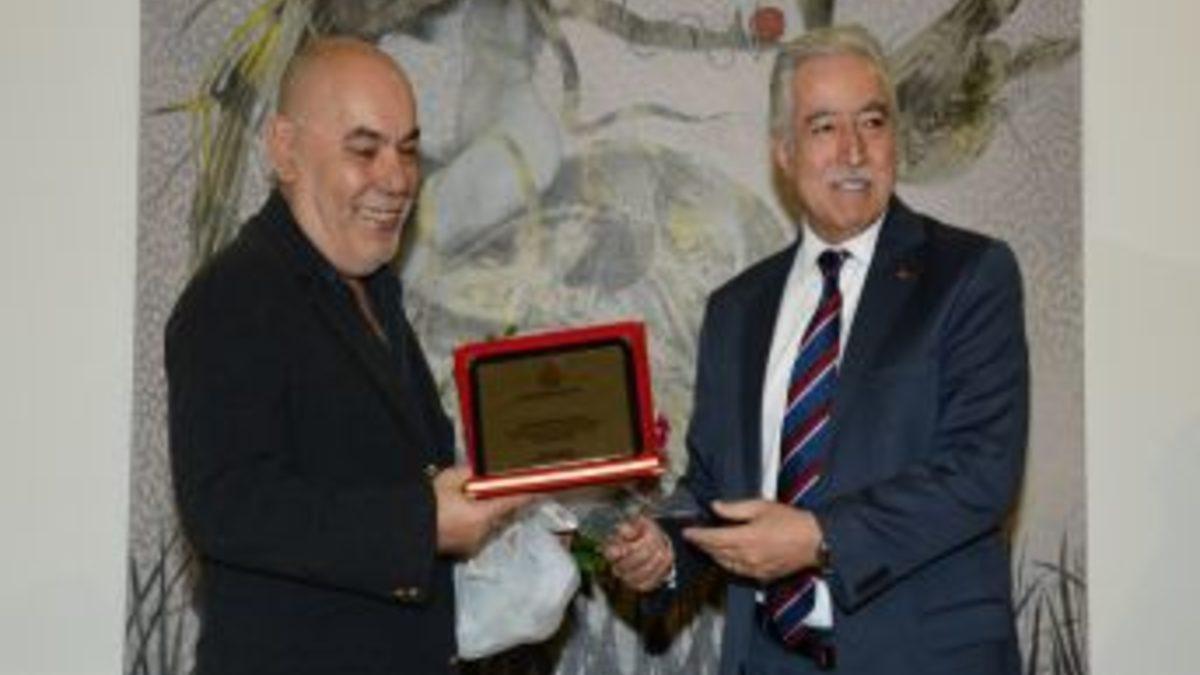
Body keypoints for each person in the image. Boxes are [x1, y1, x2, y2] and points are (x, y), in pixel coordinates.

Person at [605, 24, 1028, 675]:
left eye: (872, 122)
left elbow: (982, 469)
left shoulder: (969, 274)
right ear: (784, 151)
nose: (853, 150)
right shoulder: (736, 309)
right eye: (824, 127)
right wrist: (664, 548)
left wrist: (818, 538)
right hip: (769, 658)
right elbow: (714, 485)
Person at [165, 37, 527, 675]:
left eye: (408, 150)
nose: (397, 177)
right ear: (285, 150)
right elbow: (228, 506)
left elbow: (389, 475)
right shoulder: (234, 295)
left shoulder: (373, 288)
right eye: (364, 149)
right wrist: (422, 524)